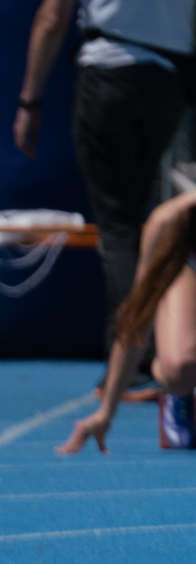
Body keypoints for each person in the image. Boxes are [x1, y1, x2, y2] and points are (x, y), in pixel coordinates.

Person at [15, 0, 196, 350]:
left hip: (109, 77)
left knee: (117, 224)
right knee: (148, 209)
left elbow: (53, 17)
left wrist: (30, 100)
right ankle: (165, 339)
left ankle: (132, 355)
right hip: (170, 80)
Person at [69, 187, 196, 452]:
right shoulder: (171, 222)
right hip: (189, 270)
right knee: (180, 368)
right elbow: (138, 322)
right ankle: (176, 391)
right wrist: (106, 411)